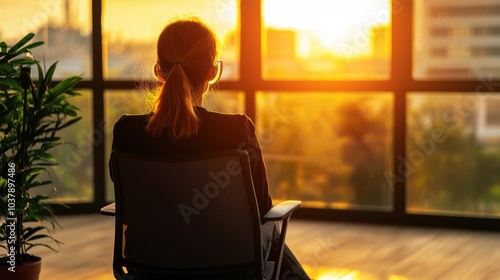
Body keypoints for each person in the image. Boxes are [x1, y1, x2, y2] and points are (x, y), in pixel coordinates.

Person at [111, 16, 311, 280]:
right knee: (274, 234)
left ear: (158, 70)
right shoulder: (237, 130)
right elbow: (262, 208)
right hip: (230, 267)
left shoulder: (127, 131)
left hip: (149, 265)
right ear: (211, 72)